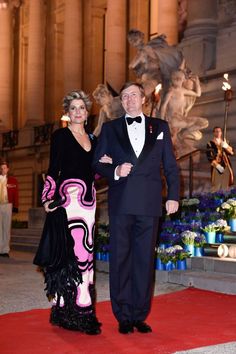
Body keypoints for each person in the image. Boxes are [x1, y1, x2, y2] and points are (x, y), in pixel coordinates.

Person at [93, 82, 179, 334]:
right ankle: (122, 315)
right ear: (122, 102)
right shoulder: (110, 129)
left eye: (134, 95)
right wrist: (115, 170)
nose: (129, 99)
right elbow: (96, 162)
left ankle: (139, 314)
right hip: (122, 203)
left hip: (150, 204)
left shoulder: (160, 127)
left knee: (143, 260)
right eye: (125, 96)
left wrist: (173, 196)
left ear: (143, 99)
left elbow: (170, 166)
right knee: (121, 260)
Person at [35, 90, 111, 335]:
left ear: (87, 113)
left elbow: (94, 172)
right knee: (70, 255)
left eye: (82, 108)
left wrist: (106, 165)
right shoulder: (60, 136)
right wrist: (47, 197)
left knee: (86, 255)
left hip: (88, 204)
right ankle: (70, 313)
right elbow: (53, 168)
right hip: (68, 201)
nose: (78, 112)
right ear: (67, 113)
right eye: (74, 108)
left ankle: (80, 307)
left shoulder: (94, 140)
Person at [160, 69, 208, 156]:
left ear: (183, 80)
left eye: (180, 78)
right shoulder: (170, 91)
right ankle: (178, 138)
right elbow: (163, 107)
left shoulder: (182, 90)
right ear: (172, 79)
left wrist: (196, 82)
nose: (178, 80)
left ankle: (181, 136)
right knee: (197, 132)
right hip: (174, 120)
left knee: (204, 123)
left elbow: (198, 94)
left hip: (182, 118)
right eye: (176, 78)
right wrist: (163, 123)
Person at [206, 126, 234, 192]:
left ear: (221, 133)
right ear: (214, 133)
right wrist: (217, 166)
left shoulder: (225, 142)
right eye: (216, 131)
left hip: (226, 165)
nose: (218, 133)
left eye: (219, 131)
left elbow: (231, 153)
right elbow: (209, 156)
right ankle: (214, 200)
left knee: (226, 185)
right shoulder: (210, 143)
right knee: (216, 185)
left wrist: (226, 146)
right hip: (217, 166)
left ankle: (225, 199)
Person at [0, 161, 18, 258]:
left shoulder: (13, 181)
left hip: (7, 205)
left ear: (8, 169)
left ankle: (5, 250)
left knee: (6, 228)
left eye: (4, 168)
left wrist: (16, 206)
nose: (3, 170)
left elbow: (16, 194)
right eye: (1, 168)